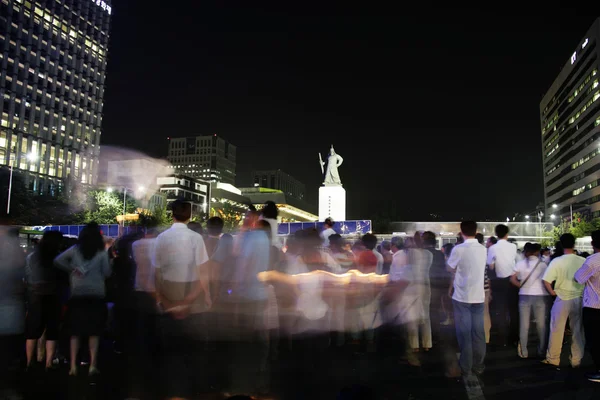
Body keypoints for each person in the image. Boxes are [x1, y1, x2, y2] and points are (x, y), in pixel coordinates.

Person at [152, 200, 211, 399]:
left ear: (172, 214)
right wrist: (192, 300)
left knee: (169, 347)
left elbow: (156, 274)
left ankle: (170, 390)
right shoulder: (195, 238)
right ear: (190, 216)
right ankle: (191, 390)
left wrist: (165, 302)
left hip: (168, 292)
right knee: (192, 348)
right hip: (191, 294)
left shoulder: (161, 238)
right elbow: (203, 274)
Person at [54, 223, 112, 377]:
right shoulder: (101, 252)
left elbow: (58, 260)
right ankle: (92, 365)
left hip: (77, 294)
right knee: (94, 332)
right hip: (96, 294)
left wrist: (72, 269)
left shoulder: (74, 250)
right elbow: (107, 273)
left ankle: (73, 366)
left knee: (75, 332)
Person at [447, 221, 487, 378]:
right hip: (479, 296)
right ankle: (479, 365)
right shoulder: (484, 249)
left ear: (461, 231)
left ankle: (466, 366)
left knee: (465, 334)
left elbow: (450, 267)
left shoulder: (459, 249)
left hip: (462, 297)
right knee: (478, 333)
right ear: (476, 231)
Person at [541, 233, 585, 367]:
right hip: (579, 298)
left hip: (561, 299)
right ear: (574, 244)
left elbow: (546, 281)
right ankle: (576, 360)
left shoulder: (556, 261)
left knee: (556, 330)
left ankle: (553, 359)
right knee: (577, 331)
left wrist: (553, 293)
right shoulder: (582, 260)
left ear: (561, 244)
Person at [24, 231, 64, 370]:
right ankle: (48, 363)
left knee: (32, 331)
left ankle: (29, 362)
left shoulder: (32, 256)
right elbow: (63, 277)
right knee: (52, 331)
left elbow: (27, 275)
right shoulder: (58, 258)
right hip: (54, 296)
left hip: (35, 296)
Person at [510, 243, 550, 359]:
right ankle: (542, 350)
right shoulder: (543, 265)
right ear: (537, 252)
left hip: (524, 295)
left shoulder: (520, 264)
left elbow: (512, 279)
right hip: (540, 295)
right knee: (541, 325)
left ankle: (524, 351)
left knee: (524, 325)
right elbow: (547, 280)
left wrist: (520, 286)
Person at [487, 224, 518, 347]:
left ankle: (502, 338)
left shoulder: (493, 248)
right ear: (507, 234)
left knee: (501, 309)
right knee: (513, 310)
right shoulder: (513, 246)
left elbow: (490, 265)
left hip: (499, 282)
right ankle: (514, 337)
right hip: (512, 281)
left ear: (496, 234)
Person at [575, 230, 600, 382]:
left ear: (593, 243)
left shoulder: (592, 260)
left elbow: (579, 278)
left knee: (595, 340)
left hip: (594, 306)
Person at [476, 233, 492, 344]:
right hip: (485, 287)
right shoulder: (486, 252)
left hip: (473, 288)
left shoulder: (470, 252)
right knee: (485, 313)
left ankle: (476, 338)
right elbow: (488, 273)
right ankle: (486, 337)